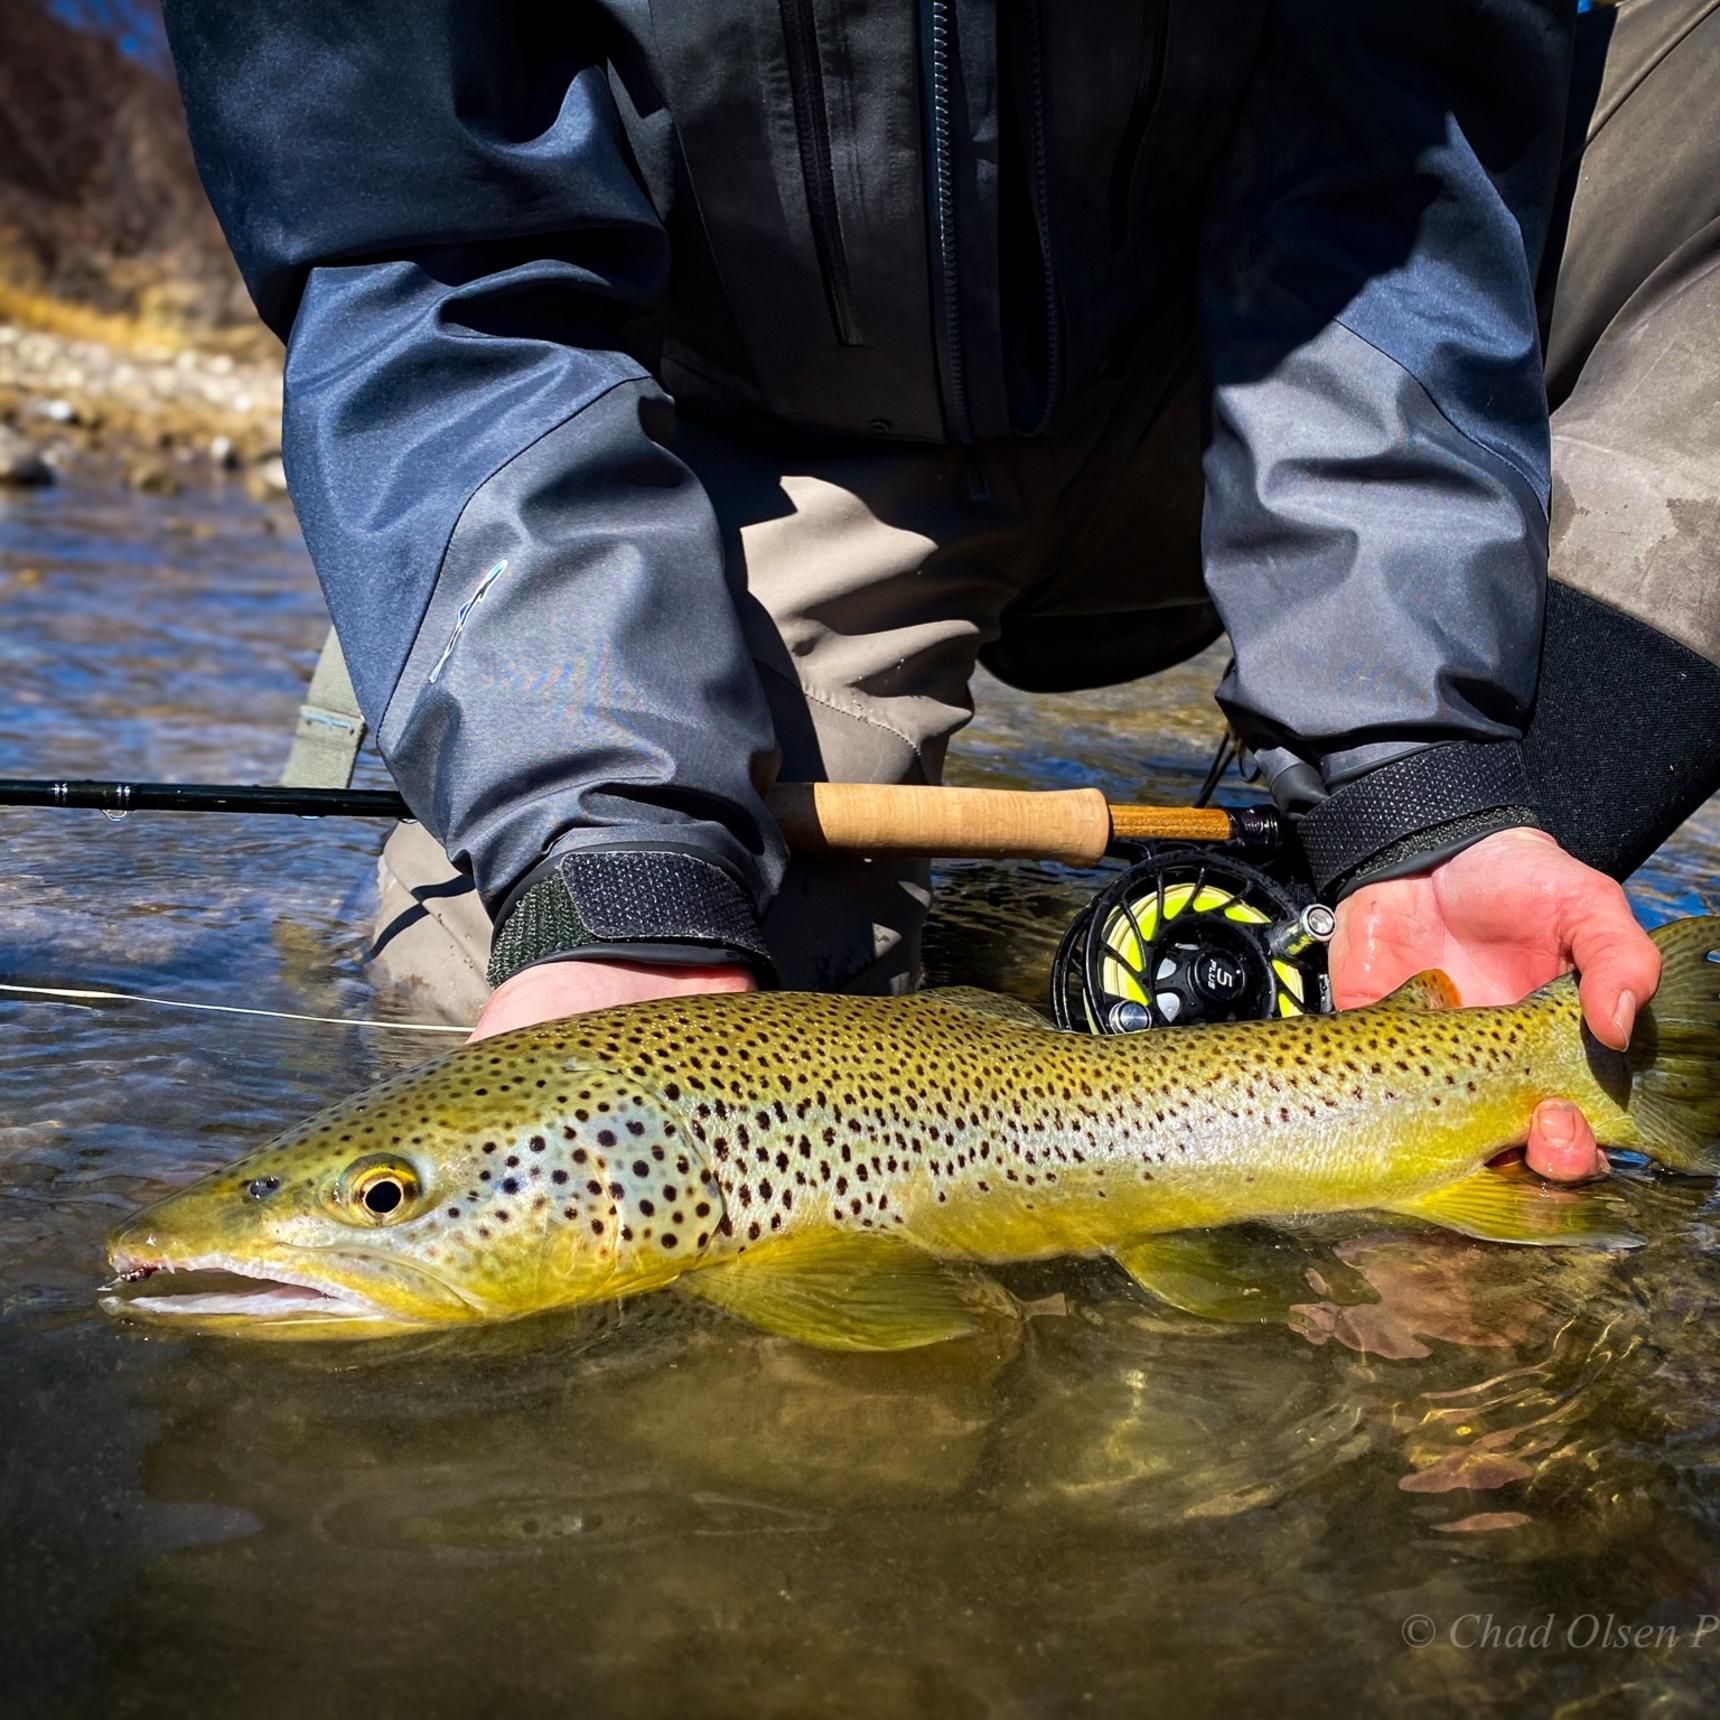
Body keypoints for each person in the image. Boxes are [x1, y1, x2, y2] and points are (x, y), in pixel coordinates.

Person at [161, 1, 1718, 1184]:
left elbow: (1402, 157)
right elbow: (427, 268)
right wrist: (612, 853)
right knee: (481, 999)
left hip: (1324, 353)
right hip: (759, 427)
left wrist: (1416, 782)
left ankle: (1491, 946)